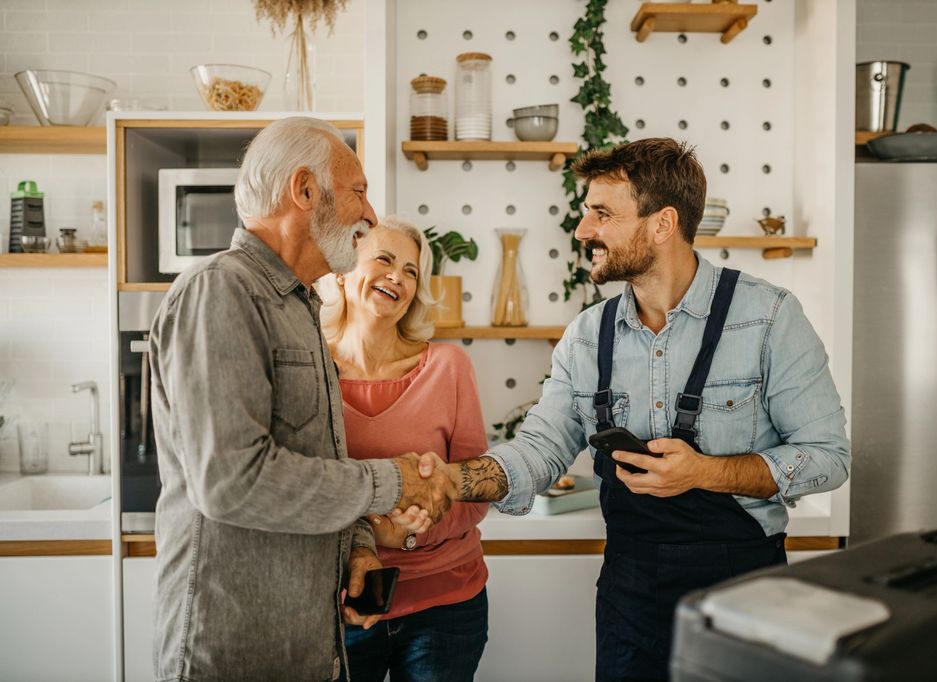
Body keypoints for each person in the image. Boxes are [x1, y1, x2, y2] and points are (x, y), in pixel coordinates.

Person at [414, 138, 851, 681]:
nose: (582, 231)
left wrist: (705, 473)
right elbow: (539, 450)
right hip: (630, 594)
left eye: (602, 214)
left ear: (662, 223)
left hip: (747, 595)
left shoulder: (769, 318)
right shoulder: (585, 337)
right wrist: (451, 480)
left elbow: (828, 457)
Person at [148, 117, 454, 682]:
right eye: (359, 191)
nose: (369, 214)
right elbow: (232, 480)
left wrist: (359, 544)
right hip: (233, 653)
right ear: (306, 190)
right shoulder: (221, 290)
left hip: (308, 649)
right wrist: (394, 481)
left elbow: (316, 465)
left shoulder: (300, 308)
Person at [315, 217, 490, 682]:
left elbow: (474, 490)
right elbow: (300, 485)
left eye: (411, 271)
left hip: (446, 603)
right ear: (340, 271)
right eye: (384, 260)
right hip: (342, 604)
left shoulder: (449, 367)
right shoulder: (312, 369)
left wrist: (408, 536)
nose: (398, 277)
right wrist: (373, 538)